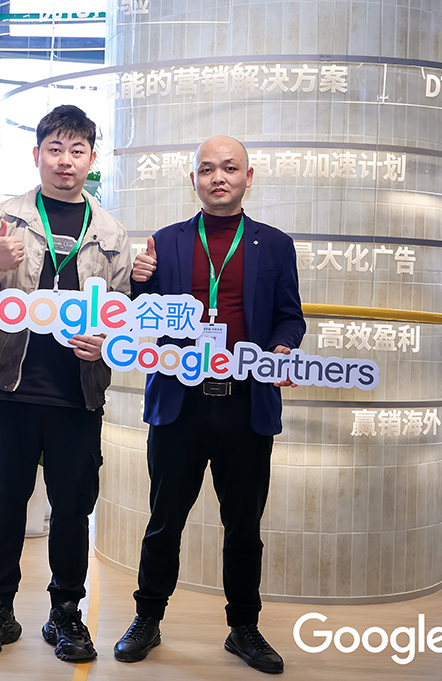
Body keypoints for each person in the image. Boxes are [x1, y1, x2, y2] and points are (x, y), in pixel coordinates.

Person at [112, 135, 305, 674]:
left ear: (248, 176)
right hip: (181, 403)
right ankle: (147, 618)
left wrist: (283, 348)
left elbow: (290, 316)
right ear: (192, 179)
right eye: (206, 169)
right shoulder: (166, 242)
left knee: (243, 526)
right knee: (163, 521)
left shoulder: (276, 244)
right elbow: (140, 316)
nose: (218, 177)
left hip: (247, 405)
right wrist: (138, 284)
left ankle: (244, 627)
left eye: (229, 167)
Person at [0, 105, 131, 663]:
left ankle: (66, 613)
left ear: (92, 159)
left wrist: (107, 342)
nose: (65, 160)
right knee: (5, 504)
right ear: (37, 155)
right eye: (55, 149)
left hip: (78, 391)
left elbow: (123, 314)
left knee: (73, 508)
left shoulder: (111, 233)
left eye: (77, 150)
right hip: (11, 384)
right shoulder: (6, 218)